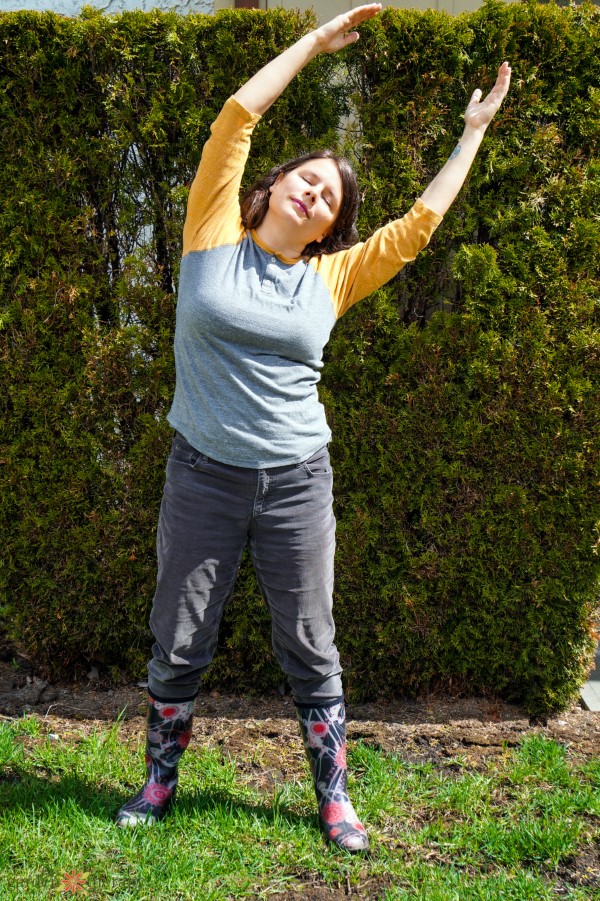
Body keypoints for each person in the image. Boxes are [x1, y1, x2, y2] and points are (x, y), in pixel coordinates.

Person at [115, 4, 511, 852]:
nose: (315, 189)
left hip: (296, 481)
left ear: (332, 223)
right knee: (179, 633)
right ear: (274, 184)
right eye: (308, 176)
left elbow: (417, 231)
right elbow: (236, 117)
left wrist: (471, 134)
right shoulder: (209, 230)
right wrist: (313, 42)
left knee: (310, 641)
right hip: (202, 475)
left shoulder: (330, 281)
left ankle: (334, 797)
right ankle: (157, 780)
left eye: (331, 193)